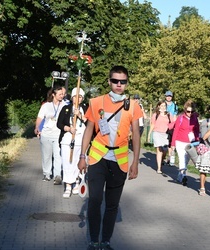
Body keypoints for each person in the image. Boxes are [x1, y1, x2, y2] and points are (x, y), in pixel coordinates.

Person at [77, 66, 141, 250]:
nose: (119, 84)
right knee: (95, 200)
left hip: (119, 160)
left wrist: (135, 162)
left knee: (112, 205)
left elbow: (136, 134)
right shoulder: (96, 102)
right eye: (115, 81)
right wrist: (82, 156)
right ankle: (93, 241)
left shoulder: (134, 106)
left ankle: (105, 241)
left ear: (127, 83)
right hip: (98, 156)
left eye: (123, 81)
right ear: (109, 81)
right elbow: (89, 129)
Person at [57, 87, 88, 198]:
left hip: (81, 140)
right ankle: (68, 185)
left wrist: (80, 115)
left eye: (80, 97)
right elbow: (59, 124)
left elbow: (90, 123)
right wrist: (69, 129)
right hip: (68, 139)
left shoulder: (86, 108)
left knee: (78, 161)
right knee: (67, 161)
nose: (77, 99)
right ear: (72, 97)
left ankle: (77, 182)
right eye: (75, 96)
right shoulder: (66, 108)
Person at [34, 85, 66, 184]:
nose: (62, 96)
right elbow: (39, 118)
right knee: (46, 155)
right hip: (46, 134)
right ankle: (47, 174)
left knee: (58, 155)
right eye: (60, 94)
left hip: (58, 135)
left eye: (63, 94)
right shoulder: (46, 106)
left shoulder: (64, 105)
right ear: (53, 95)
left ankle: (57, 176)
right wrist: (37, 128)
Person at [170, 99, 200, 186]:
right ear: (185, 110)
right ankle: (183, 176)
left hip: (190, 143)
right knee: (182, 158)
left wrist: (197, 140)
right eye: (188, 111)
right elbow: (175, 131)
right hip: (180, 142)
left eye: (192, 111)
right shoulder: (180, 118)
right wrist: (173, 144)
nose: (190, 113)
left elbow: (197, 130)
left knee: (186, 160)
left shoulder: (195, 118)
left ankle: (180, 176)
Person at [147, 101, 170, 174]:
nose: (163, 107)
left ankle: (162, 159)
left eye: (164, 106)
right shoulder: (155, 115)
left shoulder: (169, 115)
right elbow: (152, 124)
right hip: (157, 133)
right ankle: (159, 168)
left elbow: (172, 124)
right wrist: (149, 134)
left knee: (165, 150)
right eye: (162, 106)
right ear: (159, 106)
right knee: (159, 149)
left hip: (165, 134)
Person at [164, 90, 178, 166]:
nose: (168, 97)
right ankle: (163, 156)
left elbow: (175, 116)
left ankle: (169, 157)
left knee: (170, 142)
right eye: (167, 96)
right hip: (164, 125)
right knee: (163, 142)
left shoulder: (175, 106)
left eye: (170, 96)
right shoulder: (163, 104)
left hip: (171, 126)